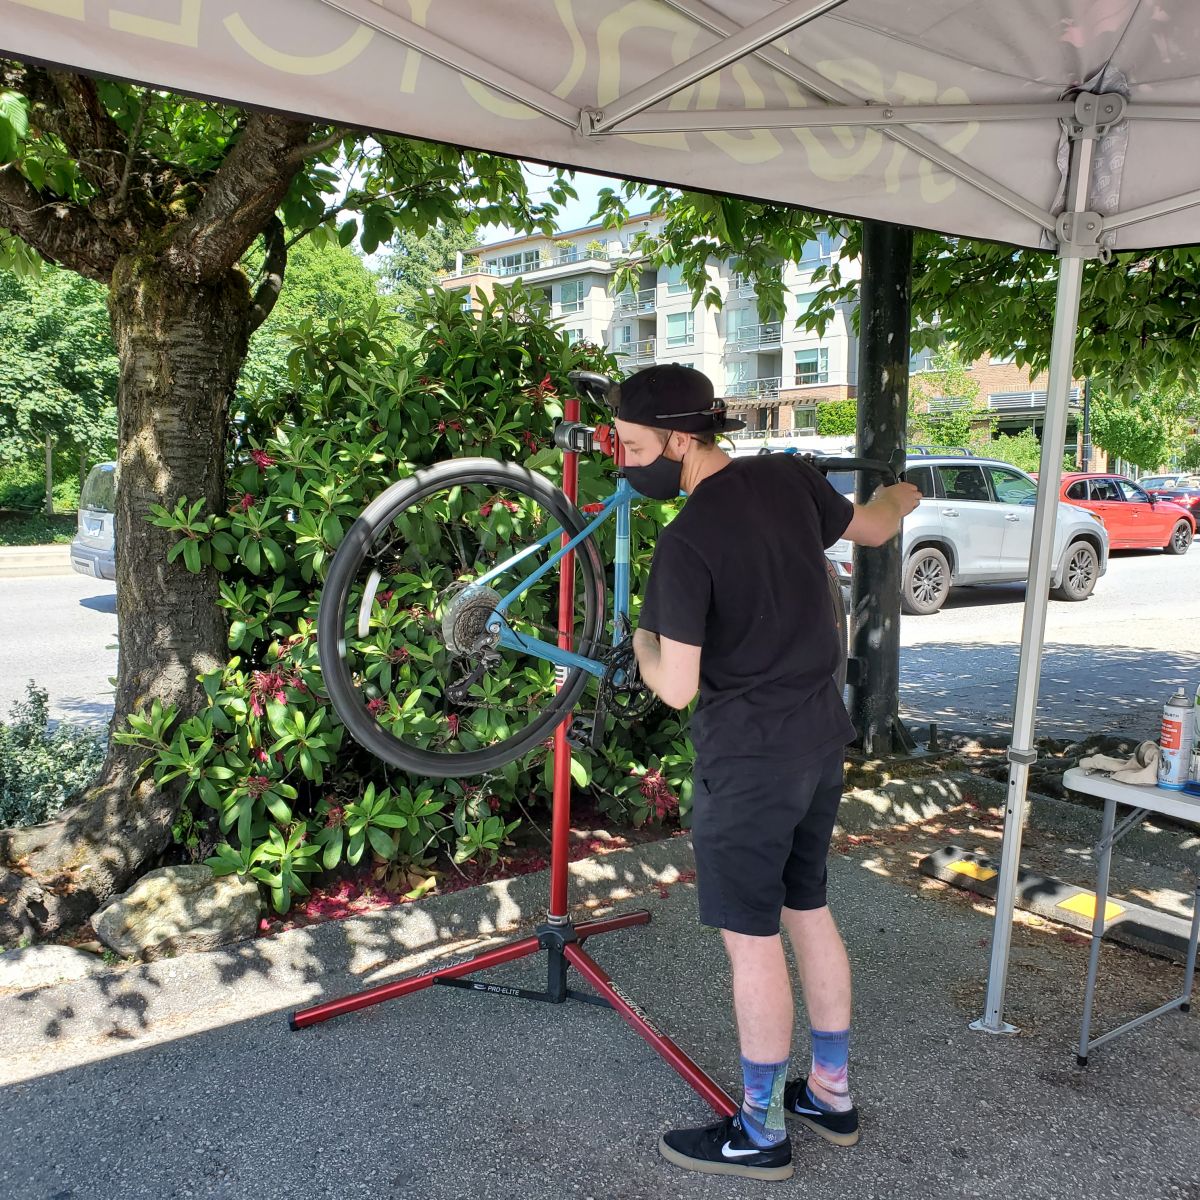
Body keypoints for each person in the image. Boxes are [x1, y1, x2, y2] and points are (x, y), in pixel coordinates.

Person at [614, 364, 921, 1183]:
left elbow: (675, 685)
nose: (622, 460)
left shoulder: (685, 544)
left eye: (634, 445)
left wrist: (638, 645)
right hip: (819, 743)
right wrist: (908, 493)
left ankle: (760, 1132)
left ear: (680, 440)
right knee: (807, 912)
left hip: (747, 765)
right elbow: (879, 526)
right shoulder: (788, 479)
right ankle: (829, 1092)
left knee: (752, 947)